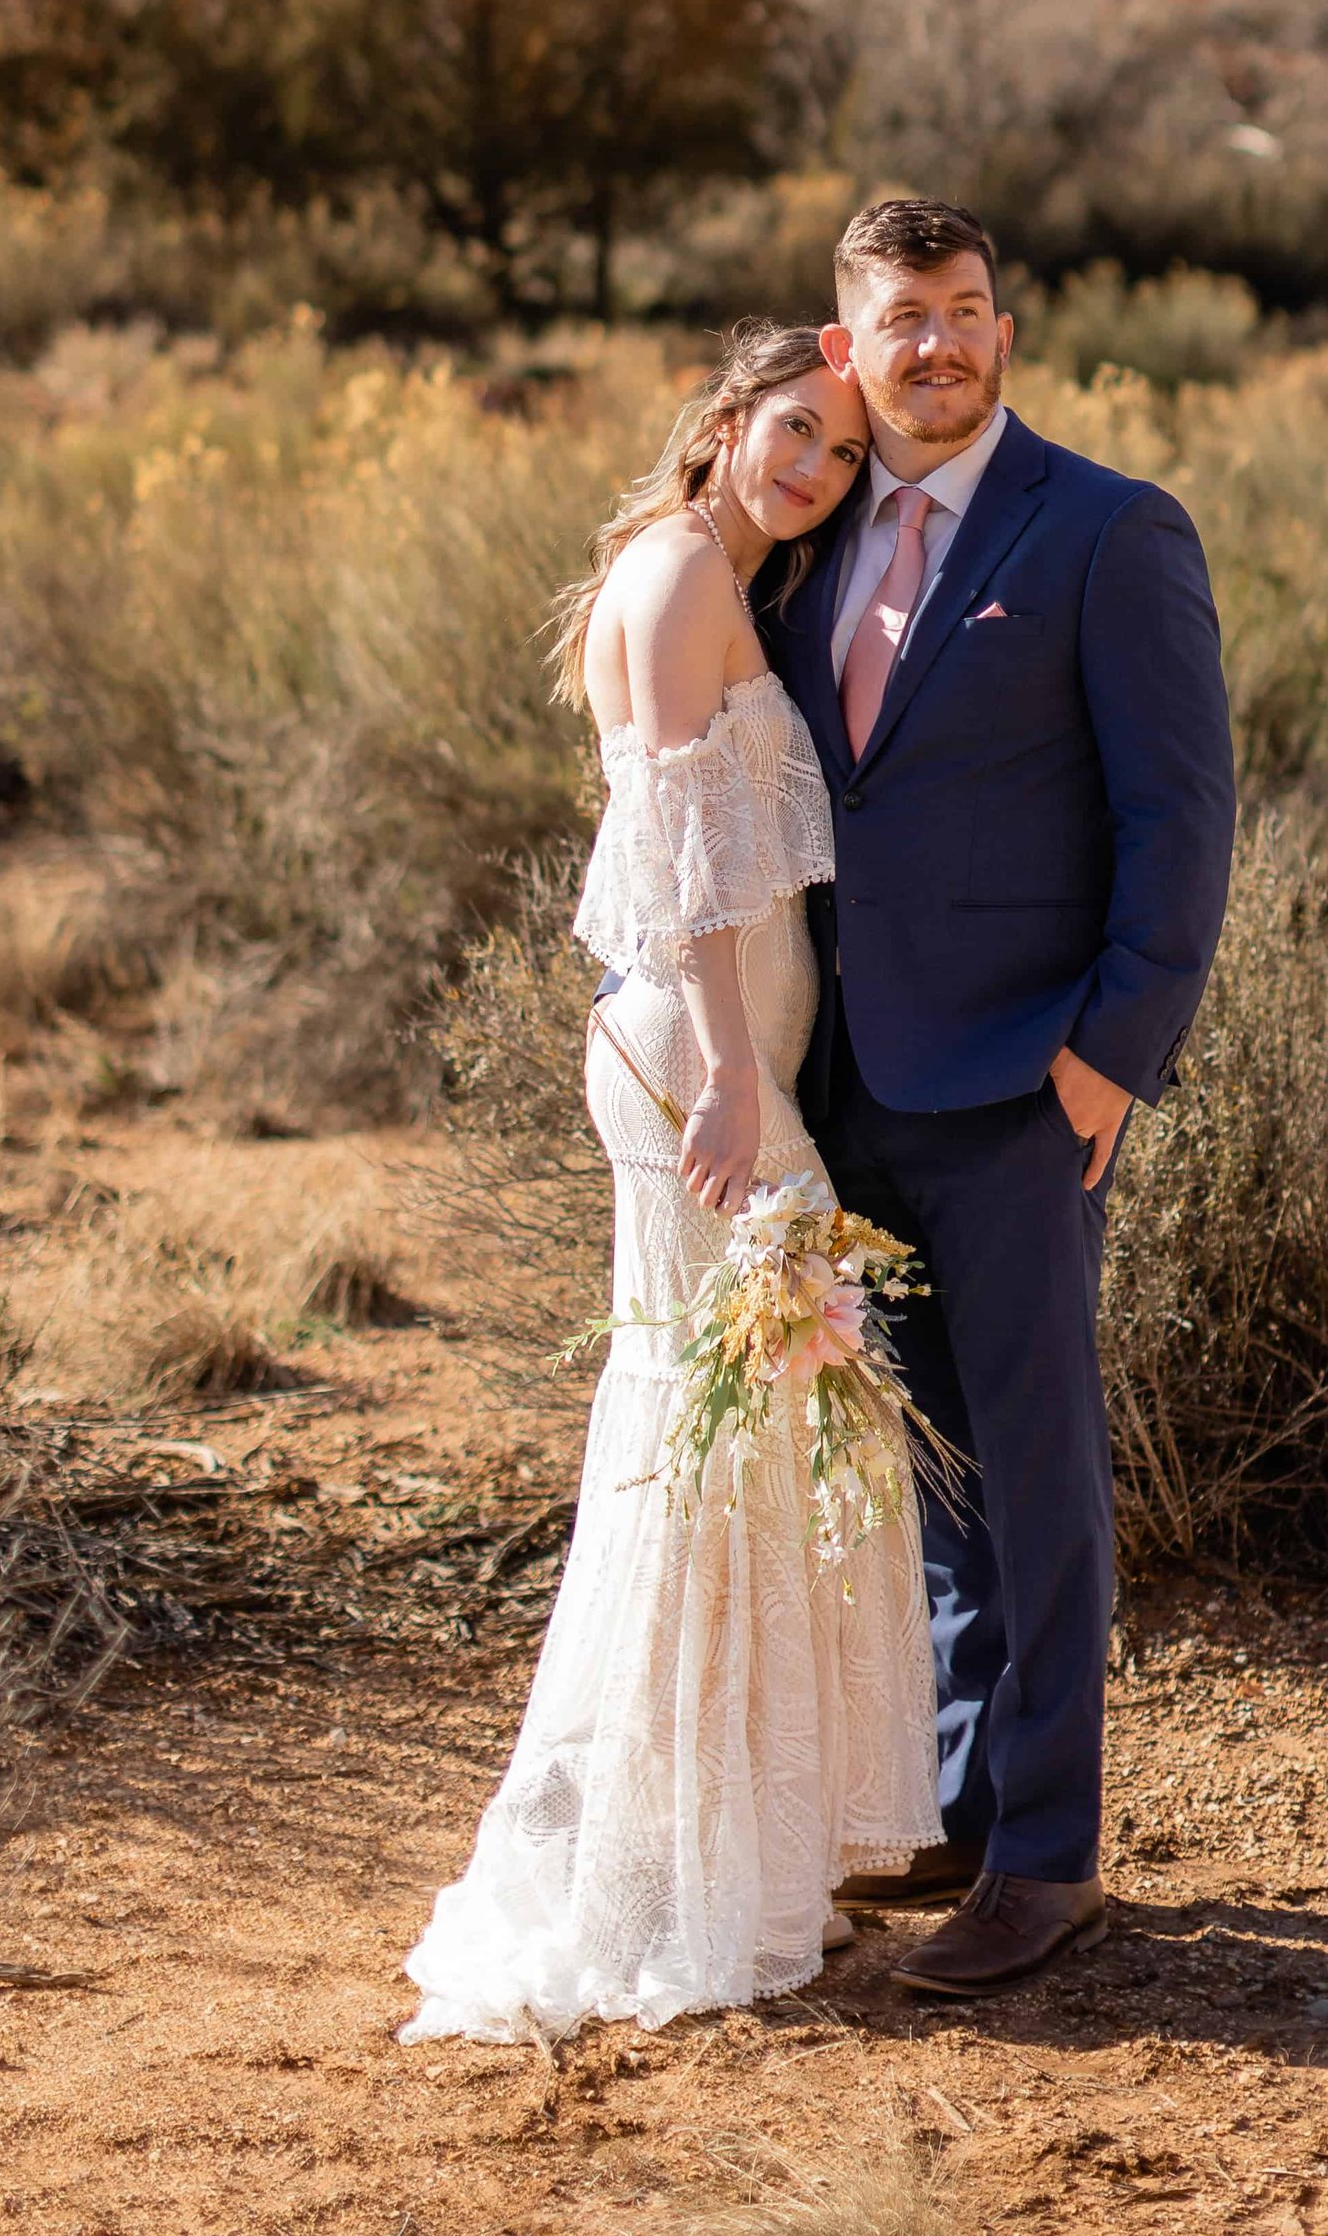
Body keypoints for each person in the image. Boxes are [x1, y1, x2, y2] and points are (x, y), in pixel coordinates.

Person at [399, 325, 943, 2043]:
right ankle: (669, 1875)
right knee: (718, 1432)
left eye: (845, 457)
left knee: (749, 1432)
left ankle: (724, 1848)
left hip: (725, 1060)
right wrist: (729, 1071)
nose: (817, 471)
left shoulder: (710, 571)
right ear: (728, 421)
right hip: (699, 1066)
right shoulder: (679, 579)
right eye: (797, 431)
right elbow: (692, 866)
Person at [761, 198, 1237, 1996]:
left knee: (1036, 1478)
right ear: (847, 347)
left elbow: (1178, 818)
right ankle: (964, 1808)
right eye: (904, 320)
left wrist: (1112, 1058)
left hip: (1028, 1094)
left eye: (967, 315)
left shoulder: (1110, 529)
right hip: (855, 1085)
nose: (940, 346)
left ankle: (1049, 1859)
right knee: (943, 1476)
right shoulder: (805, 541)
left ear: (1006, 333)